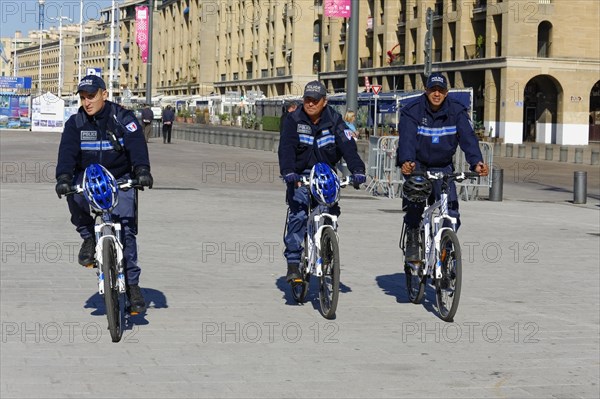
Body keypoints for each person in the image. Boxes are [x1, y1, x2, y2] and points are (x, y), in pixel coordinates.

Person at [55, 75, 154, 313]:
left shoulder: (122, 117)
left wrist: (142, 170)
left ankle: (132, 286)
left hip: (119, 178)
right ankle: (89, 238)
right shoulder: (75, 123)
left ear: (104, 95)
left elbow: (136, 143)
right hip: (88, 177)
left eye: (91, 96)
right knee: (74, 194)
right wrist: (63, 178)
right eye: (83, 97)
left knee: (126, 231)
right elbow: (67, 151)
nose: (86, 102)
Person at [278, 80, 366, 283]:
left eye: (315, 100)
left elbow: (348, 146)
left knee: (329, 211)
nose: (310, 104)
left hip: (325, 174)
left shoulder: (335, 120)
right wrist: (288, 171)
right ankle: (293, 263)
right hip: (300, 175)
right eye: (307, 99)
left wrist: (358, 170)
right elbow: (286, 148)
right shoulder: (294, 120)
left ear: (324, 102)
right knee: (299, 214)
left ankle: (327, 243)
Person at [396, 72, 489, 262]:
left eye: (441, 90)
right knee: (416, 202)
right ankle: (413, 237)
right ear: (426, 90)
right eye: (433, 90)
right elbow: (406, 139)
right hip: (418, 164)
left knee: (451, 210)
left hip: (443, 166)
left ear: (446, 93)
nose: (436, 94)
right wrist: (407, 161)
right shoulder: (412, 110)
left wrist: (476, 162)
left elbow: (468, 139)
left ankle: (446, 247)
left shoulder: (456, 110)